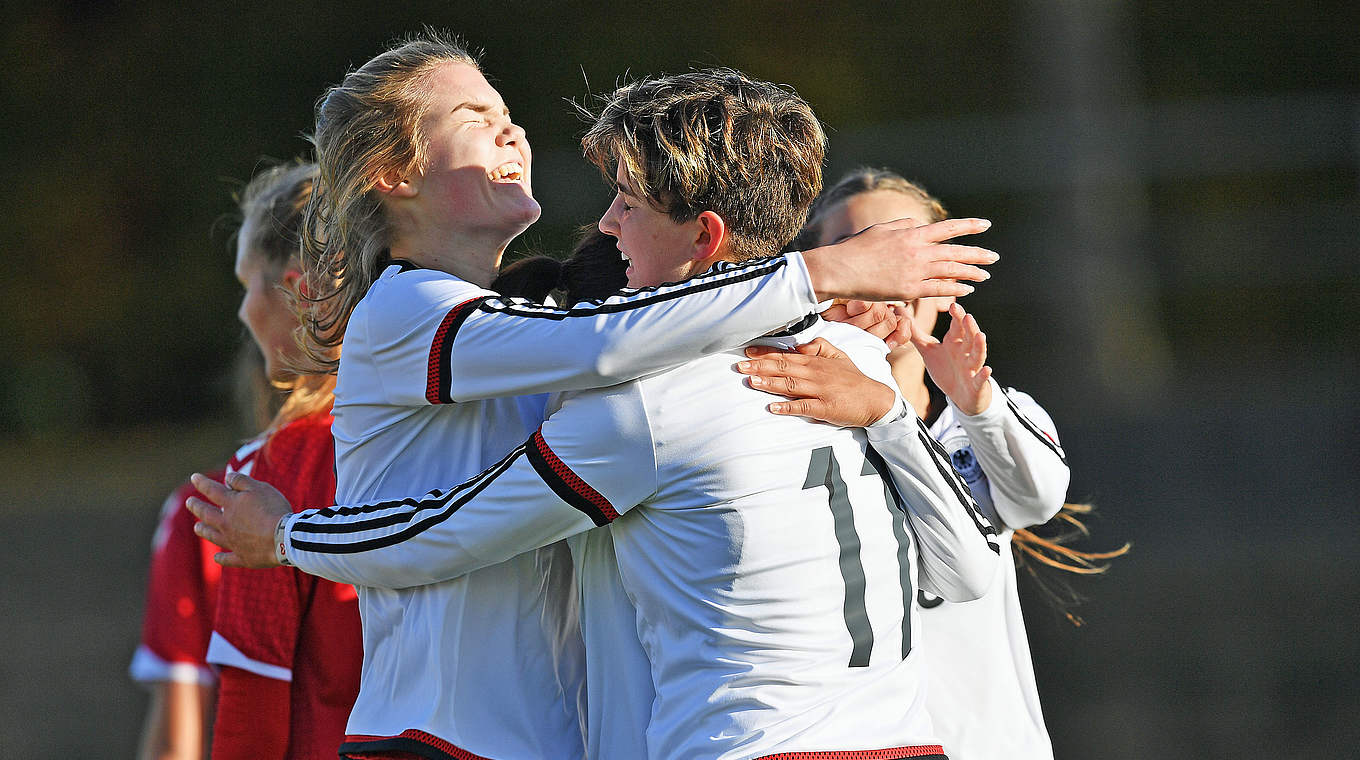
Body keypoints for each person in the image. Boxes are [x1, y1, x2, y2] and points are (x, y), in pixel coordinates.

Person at [191, 69, 1003, 760]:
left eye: (626, 202)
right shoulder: (854, 361)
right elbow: (970, 570)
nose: (607, 223)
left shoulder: (647, 402)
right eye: (479, 120)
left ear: (706, 234)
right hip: (898, 741)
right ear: (390, 174)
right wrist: (872, 370)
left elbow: (439, 530)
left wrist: (292, 536)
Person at [740, 168, 1127, 760]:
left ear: (947, 284)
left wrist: (978, 404)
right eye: (866, 252)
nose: (890, 277)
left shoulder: (991, 413)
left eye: (913, 254)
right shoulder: (780, 421)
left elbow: (1038, 497)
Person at [203, 162, 363, 760]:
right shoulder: (481, 429)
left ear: (299, 290)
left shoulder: (269, 473)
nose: (244, 312)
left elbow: (253, 701)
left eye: (249, 284)